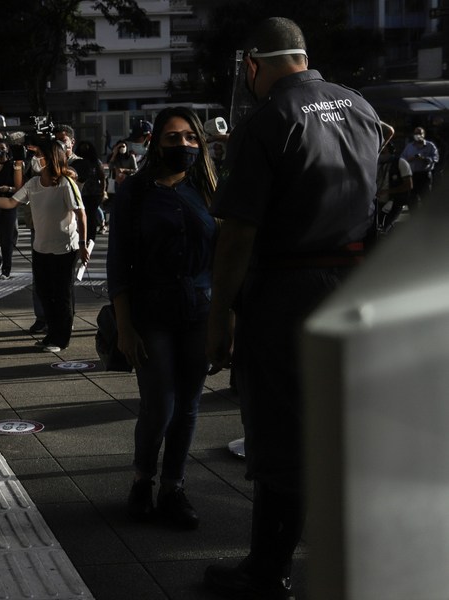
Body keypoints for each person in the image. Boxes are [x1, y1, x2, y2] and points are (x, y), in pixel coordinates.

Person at [203, 18, 383, 599]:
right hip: (352, 285)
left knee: (283, 434)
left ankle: (267, 571)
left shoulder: (268, 120)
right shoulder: (359, 107)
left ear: (254, 64)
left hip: (288, 292)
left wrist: (219, 317)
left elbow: (237, 234)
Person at [108, 107, 217, 530]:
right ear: (156, 143)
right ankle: (142, 480)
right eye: (173, 138)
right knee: (159, 404)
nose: (183, 145)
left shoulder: (208, 188)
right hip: (150, 312)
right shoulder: (135, 192)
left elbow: (226, 255)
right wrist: (124, 326)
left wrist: (227, 316)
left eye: (191, 137)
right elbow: (118, 264)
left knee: (189, 405)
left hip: (200, 312)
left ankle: (174, 487)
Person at [0, 138, 90, 353]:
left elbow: (81, 213)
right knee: (45, 293)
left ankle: (60, 339)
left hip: (64, 248)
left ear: (51, 158)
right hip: (41, 248)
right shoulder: (34, 184)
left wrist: (82, 244)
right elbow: (10, 202)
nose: (35, 160)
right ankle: (51, 334)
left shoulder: (65, 183)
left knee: (61, 294)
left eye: (38, 155)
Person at [0, 138, 25, 279]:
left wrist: (7, 188)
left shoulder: (13, 165)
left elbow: (19, 188)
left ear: (7, 149)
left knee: (6, 239)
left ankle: (6, 269)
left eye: (2, 147)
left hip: (8, 203)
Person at [71, 140, 107, 242]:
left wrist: (102, 191)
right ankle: (83, 236)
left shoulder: (96, 162)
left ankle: (90, 237)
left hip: (94, 193)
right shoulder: (77, 162)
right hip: (81, 193)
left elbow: (102, 177)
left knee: (91, 216)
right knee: (82, 214)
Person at [376, 141, 413, 234]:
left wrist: (388, 191)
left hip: (394, 201)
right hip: (378, 202)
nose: (380, 155)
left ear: (391, 151)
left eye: (383, 152)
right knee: (377, 227)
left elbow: (408, 185)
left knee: (386, 227)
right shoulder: (378, 164)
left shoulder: (401, 163)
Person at [400, 126, 439, 209]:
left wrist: (424, 158)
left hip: (425, 175)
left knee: (426, 197)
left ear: (423, 134)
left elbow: (435, 158)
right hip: (412, 175)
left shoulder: (430, 146)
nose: (418, 135)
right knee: (412, 198)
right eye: (416, 133)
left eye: (420, 133)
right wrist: (409, 159)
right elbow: (402, 158)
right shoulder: (409, 146)